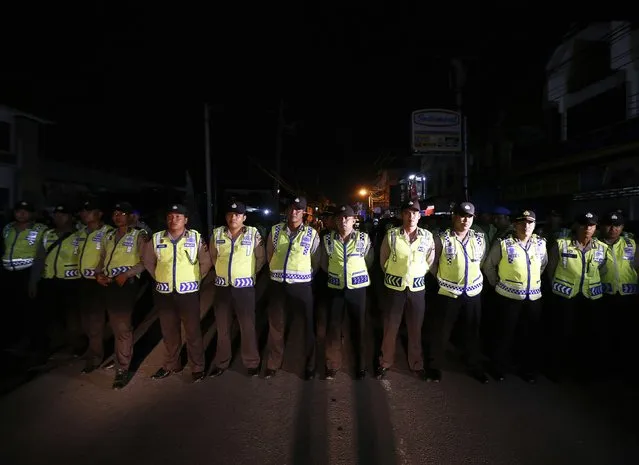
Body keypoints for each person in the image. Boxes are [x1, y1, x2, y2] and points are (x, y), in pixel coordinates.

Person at [144, 204, 211, 383]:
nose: (174, 220)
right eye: (171, 216)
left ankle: (197, 367)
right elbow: (148, 261)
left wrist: (196, 280)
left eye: (178, 217)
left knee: (193, 332)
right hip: (164, 294)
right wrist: (160, 277)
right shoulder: (157, 238)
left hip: (188, 294)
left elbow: (205, 262)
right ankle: (171, 365)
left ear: (186, 220)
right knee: (169, 332)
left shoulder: (195, 238)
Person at [482, 209, 548, 383]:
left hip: (533, 298)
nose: (526, 226)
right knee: (504, 334)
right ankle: (498, 368)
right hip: (507, 298)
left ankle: (527, 369)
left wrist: (531, 282)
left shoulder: (540, 244)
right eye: (522, 222)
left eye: (530, 223)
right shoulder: (504, 243)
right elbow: (489, 266)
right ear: (515, 224)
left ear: (534, 225)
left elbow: (543, 265)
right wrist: (497, 283)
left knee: (530, 335)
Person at [428, 201, 489, 384]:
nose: (465, 220)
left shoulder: (480, 238)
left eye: (469, 216)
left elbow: (482, 259)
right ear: (454, 217)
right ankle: (434, 365)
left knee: (472, 330)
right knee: (441, 331)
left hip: (473, 292)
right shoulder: (441, 237)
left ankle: (472, 364)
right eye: (462, 216)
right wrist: (442, 277)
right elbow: (432, 262)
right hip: (448, 292)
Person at [376, 200, 435, 380]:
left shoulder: (427, 236)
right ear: (402, 215)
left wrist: (415, 274)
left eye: (415, 213)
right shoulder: (392, 235)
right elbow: (383, 260)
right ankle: (385, 362)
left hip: (417, 289)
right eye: (407, 213)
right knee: (390, 327)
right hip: (394, 289)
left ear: (420, 215)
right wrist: (397, 275)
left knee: (415, 328)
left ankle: (416, 364)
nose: (411, 217)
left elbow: (429, 261)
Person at [546, 212, 608, 381]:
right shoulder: (561, 245)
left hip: (590, 298)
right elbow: (550, 269)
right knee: (561, 334)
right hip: (565, 297)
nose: (587, 228)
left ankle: (583, 371)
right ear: (576, 226)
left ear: (596, 228)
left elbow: (602, 270)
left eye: (592, 225)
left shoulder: (602, 247)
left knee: (587, 335)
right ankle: (556, 370)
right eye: (584, 224)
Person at [264, 196, 320, 380]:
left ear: (304, 212)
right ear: (288, 210)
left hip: (302, 286)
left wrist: (305, 276)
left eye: (298, 209)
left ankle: (309, 366)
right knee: (276, 325)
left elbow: (316, 260)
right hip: (278, 285)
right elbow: (269, 254)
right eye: (292, 208)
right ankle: (273, 364)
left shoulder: (312, 234)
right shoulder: (275, 230)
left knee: (306, 326)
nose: (294, 212)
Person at [209, 200, 265, 377]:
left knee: (247, 326)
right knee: (222, 327)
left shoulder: (253, 234)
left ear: (244, 217)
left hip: (244, 289)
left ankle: (251, 362)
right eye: (231, 214)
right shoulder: (217, 234)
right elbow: (213, 256)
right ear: (226, 216)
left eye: (238, 214)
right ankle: (222, 362)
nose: (234, 217)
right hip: (222, 288)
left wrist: (245, 275)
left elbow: (260, 258)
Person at [94, 202, 147, 389]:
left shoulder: (139, 236)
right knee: (112, 324)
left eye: (122, 213)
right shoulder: (109, 236)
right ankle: (117, 356)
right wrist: (98, 274)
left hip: (125, 285)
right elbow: (101, 259)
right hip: (107, 284)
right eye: (115, 213)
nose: (117, 216)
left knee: (122, 326)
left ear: (130, 216)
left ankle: (122, 369)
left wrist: (127, 274)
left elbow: (144, 262)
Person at [321, 204, 374, 380]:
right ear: (336, 221)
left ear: (353, 220)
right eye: (340, 218)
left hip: (357, 290)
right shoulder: (328, 239)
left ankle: (359, 365)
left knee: (358, 328)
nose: (343, 221)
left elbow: (369, 260)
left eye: (347, 218)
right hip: (336, 289)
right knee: (334, 328)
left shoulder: (363, 239)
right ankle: (332, 365)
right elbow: (323, 263)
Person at [1, 201, 47, 350]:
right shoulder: (8, 228)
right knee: (10, 309)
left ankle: (34, 344)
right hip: (8, 274)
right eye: (18, 211)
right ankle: (13, 340)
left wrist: (34, 280)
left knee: (30, 310)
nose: (21, 214)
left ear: (32, 213)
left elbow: (41, 256)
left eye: (25, 211)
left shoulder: (41, 230)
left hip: (28, 273)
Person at [76, 200, 113, 373]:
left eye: (89, 210)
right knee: (85, 319)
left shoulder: (108, 233)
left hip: (98, 281)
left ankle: (96, 357)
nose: (84, 213)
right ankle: (90, 349)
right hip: (82, 280)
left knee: (96, 320)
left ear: (99, 214)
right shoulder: (81, 232)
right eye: (83, 211)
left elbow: (108, 256)